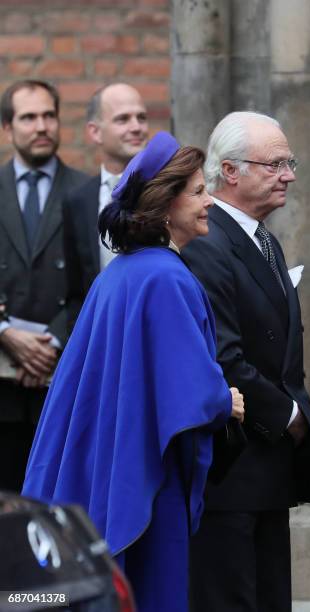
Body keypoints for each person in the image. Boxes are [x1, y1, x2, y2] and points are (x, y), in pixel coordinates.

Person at [22, 131, 244, 612]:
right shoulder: (166, 277)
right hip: (147, 470)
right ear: (167, 204)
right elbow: (190, 393)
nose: (209, 202)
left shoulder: (121, 273)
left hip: (112, 453)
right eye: (199, 192)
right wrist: (227, 400)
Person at [184, 111, 310, 611]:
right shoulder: (208, 242)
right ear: (230, 171)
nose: (288, 174)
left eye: (289, 163)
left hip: (266, 468)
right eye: (274, 164)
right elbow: (223, 356)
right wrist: (289, 416)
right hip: (234, 465)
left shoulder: (262, 238)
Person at [0, 80, 87, 491]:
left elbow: (98, 282)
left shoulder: (87, 194)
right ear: (6, 128)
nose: (41, 126)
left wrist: (53, 341)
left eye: (49, 116)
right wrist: (6, 335)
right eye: (28, 117)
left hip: (64, 378)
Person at [63, 83, 149, 331]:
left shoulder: (169, 193)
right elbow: (76, 290)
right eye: (123, 119)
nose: (136, 127)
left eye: (141, 118)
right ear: (95, 132)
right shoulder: (78, 200)